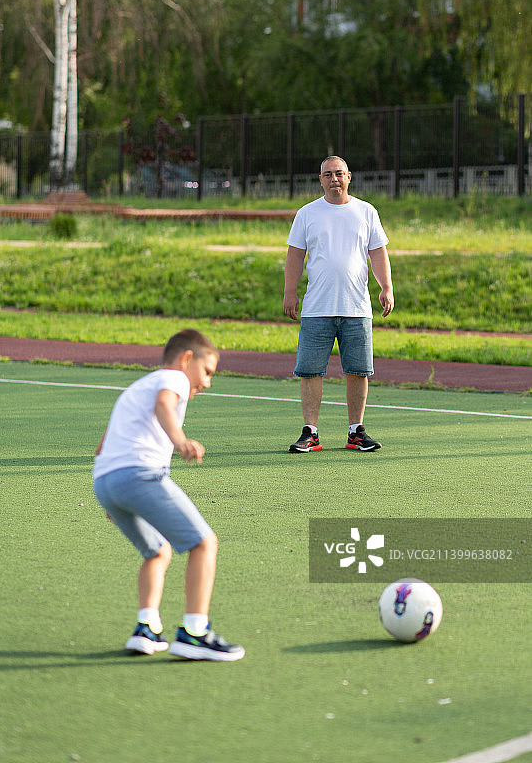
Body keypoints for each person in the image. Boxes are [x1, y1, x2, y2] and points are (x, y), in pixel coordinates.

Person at [92, 328, 245, 662]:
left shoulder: (137, 386)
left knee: (158, 550)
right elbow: (164, 404)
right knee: (204, 543)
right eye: (207, 372)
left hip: (107, 480)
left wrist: (113, 497)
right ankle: (195, 632)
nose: (207, 382)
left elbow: (105, 442)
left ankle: (146, 628)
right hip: (138, 475)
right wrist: (180, 441)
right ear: (187, 359)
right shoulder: (173, 378)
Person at [283, 155, 394, 453]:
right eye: (328, 174)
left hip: (356, 307)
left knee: (358, 370)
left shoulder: (366, 211)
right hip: (317, 308)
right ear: (320, 180)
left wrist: (386, 287)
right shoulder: (307, 214)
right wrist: (289, 292)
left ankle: (356, 432)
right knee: (310, 371)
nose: (334, 179)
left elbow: (378, 253)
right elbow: (295, 255)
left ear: (349, 177)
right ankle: (311, 432)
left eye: (339, 173)